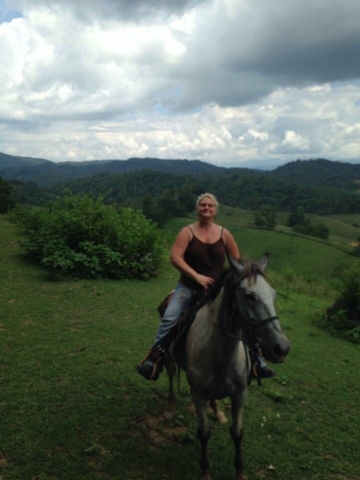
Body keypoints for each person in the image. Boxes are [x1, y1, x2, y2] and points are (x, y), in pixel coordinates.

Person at [135, 193, 275, 380]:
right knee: (170, 317)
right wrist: (196, 276)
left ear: (215, 210)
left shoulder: (224, 234)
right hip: (189, 286)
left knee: (242, 315)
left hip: (218, 289)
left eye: (210, 206)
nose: (206, 208)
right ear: (197, 209)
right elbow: (175, 257)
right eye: (203, 205)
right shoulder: (187, 232)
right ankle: (155, 359)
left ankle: (257, 360)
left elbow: (237, 262)